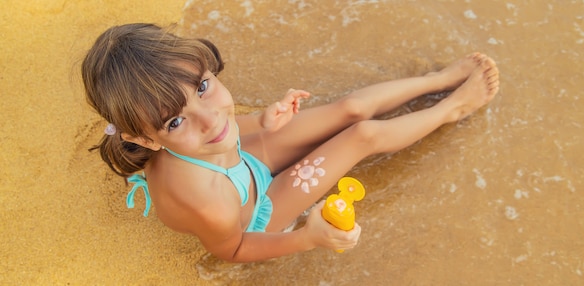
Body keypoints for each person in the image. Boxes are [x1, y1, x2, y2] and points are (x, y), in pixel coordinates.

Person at [82, 23, 499, 263]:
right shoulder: (201, 199)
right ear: (143, 139)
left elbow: (224, 130)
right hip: (256, 209)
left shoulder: (206, 133)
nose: (211, 120)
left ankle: (437, 81)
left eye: (203, 87)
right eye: (174, 120)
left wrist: (262, 121)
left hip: (240, 162)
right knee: (363, 135)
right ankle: (452, 109)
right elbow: (235, 248)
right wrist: (308, 237)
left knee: (350, 109)